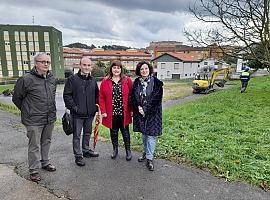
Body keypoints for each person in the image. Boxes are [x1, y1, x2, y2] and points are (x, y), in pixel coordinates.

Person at [12, 53, 57, 182]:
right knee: (34, 145)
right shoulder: (26, 79)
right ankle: (34, 171)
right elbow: (16, 98)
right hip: (33, 120)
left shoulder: (51, 78)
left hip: (49, 118)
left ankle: (45, 162)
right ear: (36, 63)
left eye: (48, 62)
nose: (46, 64)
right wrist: (28, 111)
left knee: (46, 141)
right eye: (43, 62)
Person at [63, 56, 99, 167]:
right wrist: (74, 108)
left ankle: (86, 150)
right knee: (77, 135)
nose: (86, 67)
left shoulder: (93, 80)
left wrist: (96, 108)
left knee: (87, 133)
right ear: (80, 65)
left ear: (91, 67)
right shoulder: (72, 79)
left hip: (90, 114)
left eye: (89, 65)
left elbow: (97, 95)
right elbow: (67, 95)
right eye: (84, 65)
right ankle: (78, 155)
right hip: (77, 114)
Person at [130, 61, 163, 171]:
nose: (144, 71)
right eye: (141, 69)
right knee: (144, 135)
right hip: (140, 113)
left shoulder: (157, 83)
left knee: (151, 136)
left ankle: (149, 158)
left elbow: (156, 99)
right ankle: (145, 152)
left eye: (146, 69)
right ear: (139, 71)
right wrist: (138, 107)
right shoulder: (136, 83)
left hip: (153, 113)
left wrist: (146, 109)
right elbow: (133, 97)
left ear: (149, 70)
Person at [99, 60, 133, 161]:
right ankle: (115, 149)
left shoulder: (127, 80)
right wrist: (103, 111)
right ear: (111, 69)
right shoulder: (105, 81)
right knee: (113, 132)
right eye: (114, 67)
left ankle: (128, 150)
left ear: (121, 69)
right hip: (111, 113)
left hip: (124, 112)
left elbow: (132, 96)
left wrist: (131, 110)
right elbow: (101, 97)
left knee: (125, 132)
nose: (116, 69)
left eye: (118, 68)